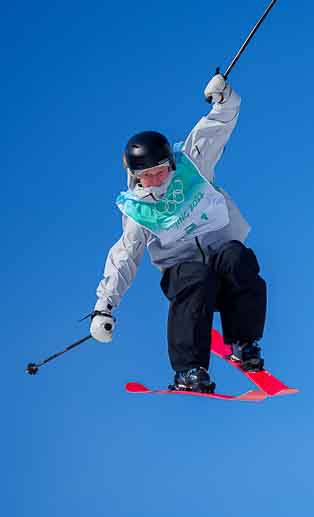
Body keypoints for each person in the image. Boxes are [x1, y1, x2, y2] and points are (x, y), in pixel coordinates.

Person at [91, 73, 267, 393]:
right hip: (187, 278)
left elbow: (219, 125)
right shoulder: (138, 211)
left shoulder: (192, 164)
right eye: (147, 176)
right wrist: (105, 307)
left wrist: (224, 97)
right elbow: (124, 258)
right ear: (134, 176)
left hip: (224, 268)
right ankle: (189, 370)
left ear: (170, 162)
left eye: (160, 170)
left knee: (237, 255)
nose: (156, 180)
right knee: (194, 274)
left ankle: (244, 342)